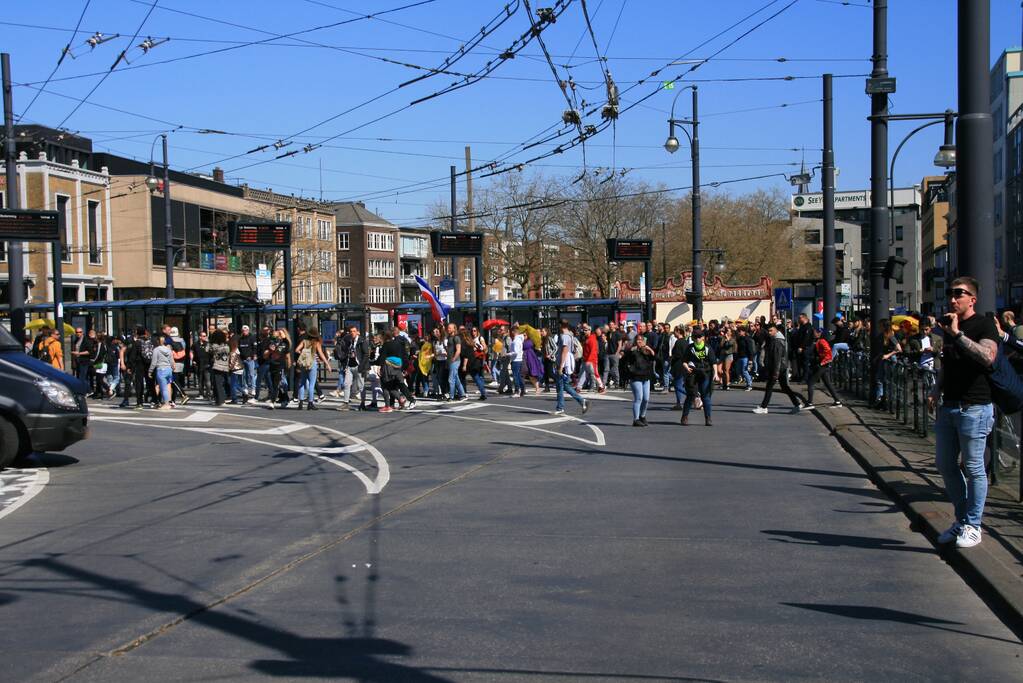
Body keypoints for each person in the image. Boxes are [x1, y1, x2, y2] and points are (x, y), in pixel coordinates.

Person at [929, 277, 998, 549]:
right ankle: (960, 520)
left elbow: (987, 357)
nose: (953, 298)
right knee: (945, 464)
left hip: (976, 407)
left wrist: (958, 334)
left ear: (973, 298)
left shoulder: (983, 325)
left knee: (973, 467)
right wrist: (937, 388)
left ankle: (973, 524)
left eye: (960, 293)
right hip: (950, 405)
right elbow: (946, 363)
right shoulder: (948, 326)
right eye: (951, 293)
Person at [754, 321, 805, 414]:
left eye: (771, 331)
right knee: (785, 387)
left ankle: (763, 407)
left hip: (778, 368)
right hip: (781, 367)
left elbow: (777, 358)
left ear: (776, 331)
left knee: (769, 386)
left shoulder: (777, 341)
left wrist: (775, 372)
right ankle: (797, 404)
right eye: (768, 331)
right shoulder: (776, 340)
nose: (769, 333)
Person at [680, 329, 718, 426]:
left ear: (703, 338)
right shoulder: (690, 348)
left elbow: (713, 362)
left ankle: (708, 418)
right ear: (693, 338)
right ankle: (684, 417)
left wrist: (716, 374)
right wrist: (687, 368)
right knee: (690, 395)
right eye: (695, 337)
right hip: (693, 374)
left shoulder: (707, 348)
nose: (697, 339)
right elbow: (684, 361)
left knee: (706, 397)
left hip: (705, 373)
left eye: (699, 337)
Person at [553, 320, 589, 416]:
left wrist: (560, 366)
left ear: (561, 326)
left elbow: (564, 351)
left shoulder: (564, 336)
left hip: (564, 364)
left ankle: (560, 407)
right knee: (565, 386)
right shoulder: (570, 335)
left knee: (560, 386)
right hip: (567, 363)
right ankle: (582, 401)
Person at [622, 334, 655, 427]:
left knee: (646, 399)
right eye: (638, 340)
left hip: (646, 377)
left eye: (641, 340)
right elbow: (626, 357)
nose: (639, 341)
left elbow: (654, 357)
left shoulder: (646, 351)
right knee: (639, 398)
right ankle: (635, 419)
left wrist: (650, 350)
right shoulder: (633, 351)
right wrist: (630, 350)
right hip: (635, 376)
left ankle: (642, 416)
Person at [804, 327, 841, 409]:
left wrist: (821, 363)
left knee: (810, 382)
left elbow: (828, 353)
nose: (813, 334)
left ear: (819, 333)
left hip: (822, 366)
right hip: (822, 365)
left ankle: (809, 403)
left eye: (814, 332)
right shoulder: (816, 341)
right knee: (827, 383)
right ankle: (837, 401)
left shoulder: (822, 341)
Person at [294, 326, 330, 410]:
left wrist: (303, 354)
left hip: (304, 363)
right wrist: (327, 364)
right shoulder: (317, 343)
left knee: (302, 383)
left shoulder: (304, 341)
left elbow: (296, 350)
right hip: (312, 363)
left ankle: (301, 402)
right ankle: (310, 403)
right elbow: (321, 354)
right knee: (312, 383)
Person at [266, 328, 292, 408]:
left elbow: (287, 356)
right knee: (278, 384)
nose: (277, 334)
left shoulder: (285, 343)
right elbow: (269, 350)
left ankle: (272, 401)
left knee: (276, 384)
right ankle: (285, 399)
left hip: (280, 366)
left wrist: (288, 366)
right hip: (273, 364)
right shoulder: (273, 342)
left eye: (279, 333)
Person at [149, 335, 175, 410]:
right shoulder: (168, 349)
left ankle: (166, 404)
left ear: (158, 341)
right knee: (167, 386)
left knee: (163, 388)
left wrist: (150, 371)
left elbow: (154, 362)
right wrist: (172, 366)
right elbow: (171, 360)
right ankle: (169, 401)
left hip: (161, 369)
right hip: (168, 369)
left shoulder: (156, 350)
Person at [465, 326, 489, 400]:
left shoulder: (480, 338)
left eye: (475, 330)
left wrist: (479, 346)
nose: (473, 332)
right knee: (479, 377)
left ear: (477, 331)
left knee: (476, 376)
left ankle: (483, 393)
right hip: (473, 359)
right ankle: (483, 393)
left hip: (477, 359)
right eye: (472, 331)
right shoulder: (471, 339)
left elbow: (484, 347)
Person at [209, 329, 231, 406]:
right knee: (221, 383)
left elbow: (208, 350)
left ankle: (220, 400)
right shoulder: (226, 346)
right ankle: (219, 399)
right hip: (225, 366)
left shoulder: (214, 346)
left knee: (217, 383)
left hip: (217, 366)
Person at [445, 322, 466, 401]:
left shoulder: (456, 338)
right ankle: (462, 394)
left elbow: (458, 350)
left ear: (454, 329)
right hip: (450, 360)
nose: (448, 329)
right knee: (456, 379)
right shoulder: (449, 337)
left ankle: (451, 396)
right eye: (448, 327)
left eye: (450, 328)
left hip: (455, 361)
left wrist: (454, 358)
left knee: (451, 379)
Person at [237, 324, 258, 399]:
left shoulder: (252, 338)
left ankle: (253, 388)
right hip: (243, 359)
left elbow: (255, 348)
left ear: (248, 330)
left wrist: (253, 355)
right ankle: (245, 387)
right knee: (244, 374)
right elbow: (239, 348)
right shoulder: (240, 339)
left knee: (251, 374)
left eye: (246, 330)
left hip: (250, 359)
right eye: (243, 330)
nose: (244, 332)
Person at [736, 326, 755, 391]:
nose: (739, 333)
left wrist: (750, 359)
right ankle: (749, 380)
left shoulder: (747, 339)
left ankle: (749, 385)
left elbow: (750, 349)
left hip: (745, 357)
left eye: (740, 331)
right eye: (738, 331)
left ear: (744, 332)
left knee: (744, 371)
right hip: (739, 357)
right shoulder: (739, 339)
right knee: (739, 371)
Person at [508, 325, 525, 397]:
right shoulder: (519, 339)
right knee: (518, 376)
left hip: (516, 360)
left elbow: (516, 352)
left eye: (511, 331)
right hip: (519, 359)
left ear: (513, 332)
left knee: (515, 376)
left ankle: (517, 391)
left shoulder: (516, 340)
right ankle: (522, 389)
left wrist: (507, 354)